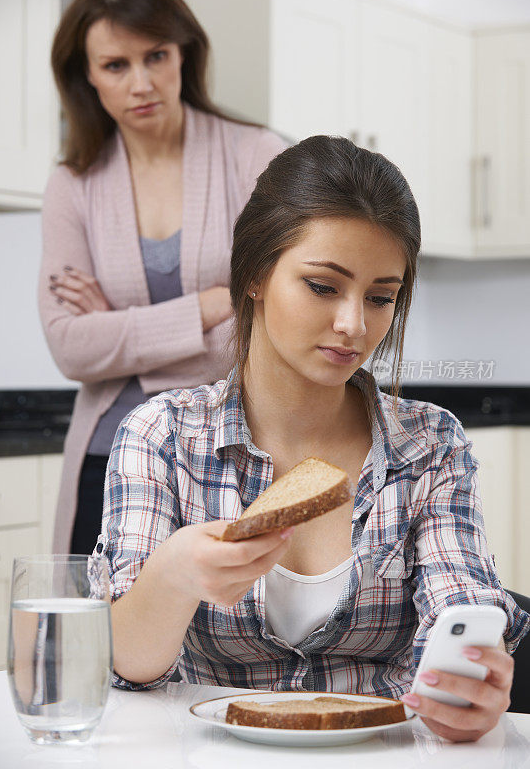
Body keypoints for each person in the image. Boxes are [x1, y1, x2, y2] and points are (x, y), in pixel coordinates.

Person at [97, 136, 530, 743]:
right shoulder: (162, 435)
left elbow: (458, 607)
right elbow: (127, 671)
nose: (354, 324)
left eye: (381, 297)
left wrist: (471, 688)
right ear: (254, 277)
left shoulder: (430, 444)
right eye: (324, 287)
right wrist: (173, 574)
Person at [38, 0, 287, 554]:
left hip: (230, 455)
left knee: (228, 639)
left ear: (185, 53)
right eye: (116, 65)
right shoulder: (71, 184)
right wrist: (213, 303)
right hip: (109, 453)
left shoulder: (256, 155)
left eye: (156, 55)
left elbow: (282, 322)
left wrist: (122, 332)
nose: (141, 83)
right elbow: (70, 347)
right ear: (87, 76)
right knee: (104, 638)